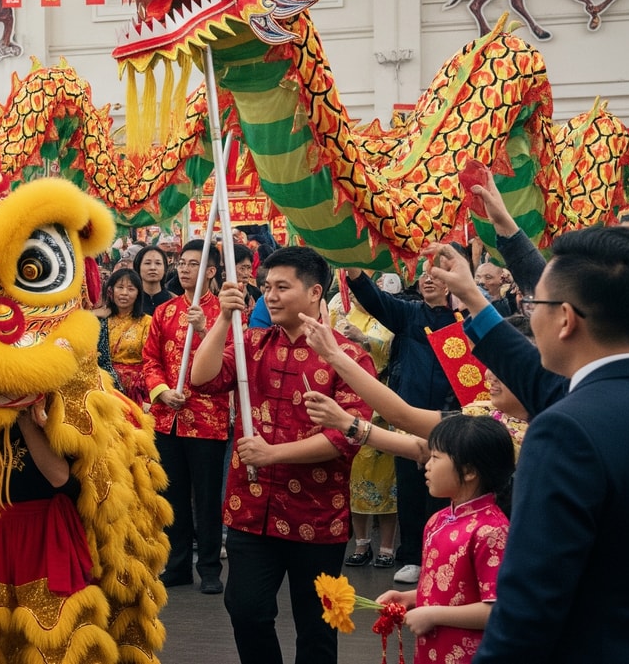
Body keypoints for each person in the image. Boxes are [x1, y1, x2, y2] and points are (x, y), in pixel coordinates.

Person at [422, 231, 629, 663]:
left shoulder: (564, 431)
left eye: (534, 307)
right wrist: (474, 297)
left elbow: (529, 603)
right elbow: (543, 381)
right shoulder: (624, 397)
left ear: (565, 319)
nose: (529, 319)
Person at [189, 246, 372, 664]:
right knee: (246, 610)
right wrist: (221, 320)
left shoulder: (348, 357)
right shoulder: (251, 342)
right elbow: (202, 380)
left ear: (313, 293)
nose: (270, 295)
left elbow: (345, 437)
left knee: (318, 627)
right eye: (267, 286)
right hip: (250, 510)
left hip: (318, 515)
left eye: (282, 287)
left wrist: (273, 454)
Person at [342, 261, 461, 585]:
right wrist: (353, 270)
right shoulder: (409, 314)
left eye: (436, 274)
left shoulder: (465, 319)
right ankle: (412, 557)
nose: (428, 279)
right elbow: (375, 300)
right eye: (424, 273)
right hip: (408, 417)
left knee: (447, 491)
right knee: (410, 490)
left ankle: (447, 557)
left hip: (455, 420)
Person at [375, 414, 513, 664]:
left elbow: (498, 609)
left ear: (469, 471)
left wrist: (434, 614)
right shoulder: (438, 520)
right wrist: (410, 597)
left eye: (436, 457)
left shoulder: (491, 530)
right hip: (433, 650)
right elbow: (449, 589)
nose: (427, 465)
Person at [141, 239, 229, 593]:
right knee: (173, 496)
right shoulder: (164, 311)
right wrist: (162, 391)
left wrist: (207, 329)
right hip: (168, 417)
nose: (184, 269)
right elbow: (150, 360)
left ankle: (209, 568)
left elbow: (235, 359)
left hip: (208, 420)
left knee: (207, 499)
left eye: (193, 264)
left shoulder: (226, 310)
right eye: (182, 263)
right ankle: (176, 565)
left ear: (210, 271)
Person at [325, 288, 398, 569]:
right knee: (355, 482)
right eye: (352, 294)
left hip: (383, 402)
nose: (355, 299)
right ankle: (362, 543)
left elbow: (390, 350)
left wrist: (365, 340)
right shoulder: (340, 314)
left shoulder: (386, 317)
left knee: (386, 484)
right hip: (349, 403)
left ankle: (388, 547)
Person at [102, 268, 152, 405]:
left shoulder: (147, 322)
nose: (124, 293)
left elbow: (151, 360)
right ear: (111, 291)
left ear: (138, 294)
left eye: (131, 289)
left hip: (136, 390)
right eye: (120, 287)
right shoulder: (101, 321)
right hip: (105, 386)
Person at [132, 246, 174, 314]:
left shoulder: (174, 300)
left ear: (165, 269)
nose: (153, 268)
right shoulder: (130, 301)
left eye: (158, 263)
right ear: (138, 267)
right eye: (147, 263)